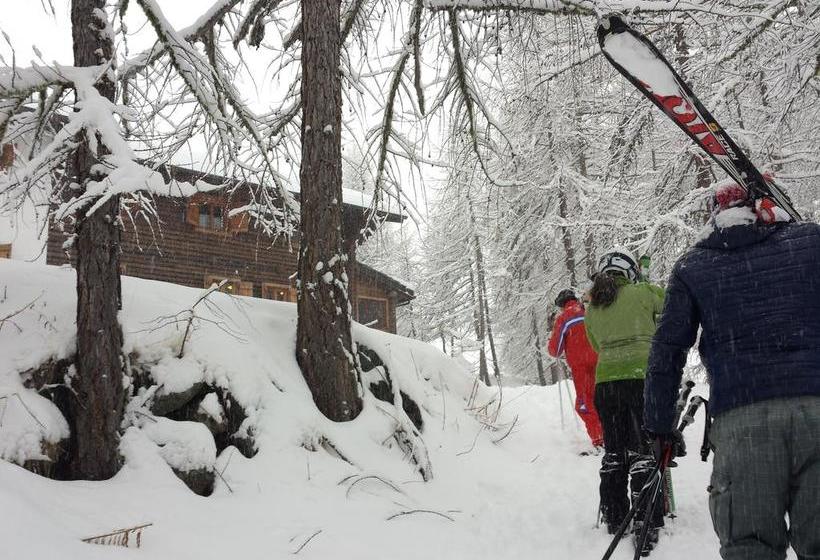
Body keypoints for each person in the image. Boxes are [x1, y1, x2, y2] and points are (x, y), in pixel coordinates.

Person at [645, 182, 820, 560]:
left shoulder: (694, 266)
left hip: (743, 418)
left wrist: (659, 426)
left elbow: (667, 349)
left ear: (716, 216)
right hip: (817, 407)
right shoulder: (811, 242)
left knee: (749, 549)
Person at [583, 249, 666, 549]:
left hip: (606, 385)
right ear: (630, 272)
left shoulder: (593, 308)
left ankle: (615, 515)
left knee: (614, 452)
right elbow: (667, 303)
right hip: (640, 380)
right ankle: (645, 520)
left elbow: (594, 344)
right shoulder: (642, 293)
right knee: (643, 450)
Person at [547, 289, 603, 450]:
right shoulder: (589, 310)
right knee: (601, 399)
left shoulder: (563, 318)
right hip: (601, 360)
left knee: (584, 403)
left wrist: (551, 341)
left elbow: (555, 350)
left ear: (561, 305)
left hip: (581, 366)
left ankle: (599, 438)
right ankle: (611, 433)